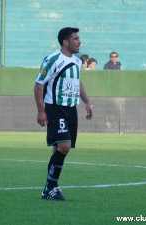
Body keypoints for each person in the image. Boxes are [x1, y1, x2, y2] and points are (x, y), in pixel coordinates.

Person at [34, 27, 93, 201]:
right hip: (55, 107)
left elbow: (77, 82)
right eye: (75, 38)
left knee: (59, 148)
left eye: (78, 38)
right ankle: (51, 187)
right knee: (64, 146)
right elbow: (38, 85)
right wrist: (41, 110)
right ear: (65, 42)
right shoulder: (53, 59)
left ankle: (49, 187)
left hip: (71, 109)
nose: (79, 41)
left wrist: (87, 102)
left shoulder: (76, 61)